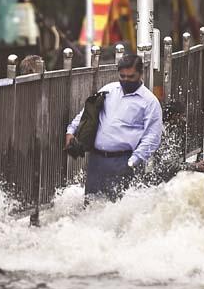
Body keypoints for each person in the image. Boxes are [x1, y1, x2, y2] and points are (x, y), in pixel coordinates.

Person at [65, 54, 163, 200]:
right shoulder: (109, 90)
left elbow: (152, 137)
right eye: (122, 76)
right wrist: (71, 131)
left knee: (116, 209)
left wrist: (133, 161)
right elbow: (87, 114)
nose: (126, 80)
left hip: (123, 162)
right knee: (90, 206)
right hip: (96, 161)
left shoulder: (149, 102)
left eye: (131, 77)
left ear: (140, 74)